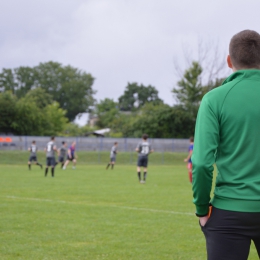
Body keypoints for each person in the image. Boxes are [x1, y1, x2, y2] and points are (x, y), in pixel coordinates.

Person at [192, 30, 260, 260]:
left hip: (229, 211)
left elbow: (201, 163)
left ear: (229, 61)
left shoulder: (214, 99)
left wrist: (202, 209)